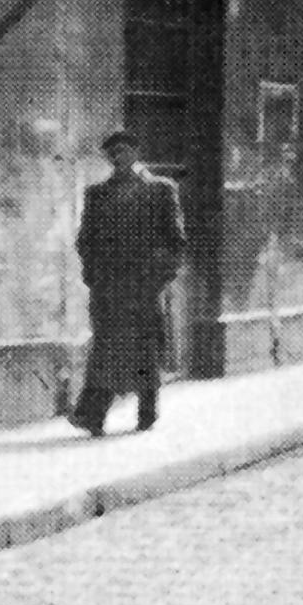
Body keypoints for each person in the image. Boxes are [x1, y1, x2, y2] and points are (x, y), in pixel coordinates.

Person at [69, 130, 186, 437]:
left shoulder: (161, 190)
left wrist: (158, 277)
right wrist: (93, 276)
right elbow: (85, 241)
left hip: (145, 287)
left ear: (135, 152)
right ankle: (92, 415)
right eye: (112, 154)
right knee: (106, 348)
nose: (117, 158)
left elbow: (175, 241)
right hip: (108, 288)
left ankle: (146, 412)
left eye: (122, 151)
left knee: (145, 347)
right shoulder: (97, 194)